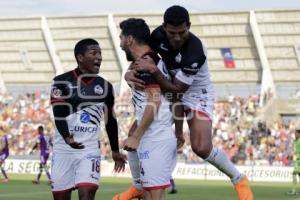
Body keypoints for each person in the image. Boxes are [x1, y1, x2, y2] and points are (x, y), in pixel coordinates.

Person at [125, 5, 253, 200]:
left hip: (195, 92)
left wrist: (155, 71)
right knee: (134, 134)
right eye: (172, 33)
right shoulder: (157, 36)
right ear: (164, 28)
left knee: (201, 147)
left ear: (189, 26)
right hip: (167, 86)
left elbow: (178, 90)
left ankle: (239, 179)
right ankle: (137, 186)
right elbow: (142, 55)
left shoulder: (196, 51)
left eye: (182, 32)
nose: (176, 38)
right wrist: (129, 72)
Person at [50, 38, 126, 200]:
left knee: (87, 195)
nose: (99, 57)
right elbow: (59, 114)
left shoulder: (105, 86)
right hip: (63, 149)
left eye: (100, 53)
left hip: (89, 149)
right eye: (94, 53)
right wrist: (67, 138)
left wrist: (115, 150)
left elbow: (110, 120)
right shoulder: (61, 82)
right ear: (80, 57)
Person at [113, 18, 178, 200]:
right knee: (148, 195)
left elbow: (154, 102)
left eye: (121, 38)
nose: (119, 43)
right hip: (154, 136)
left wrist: (136, 136)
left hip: (156, 138)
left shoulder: (146, 63)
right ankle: (135, 186)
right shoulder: (148, 60)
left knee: (155, 196)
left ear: (129, 40)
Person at [287, 119, 300, 196]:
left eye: (296, 133)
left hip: (299, 161)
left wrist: (295, 155)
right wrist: (292, 154)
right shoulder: (297, 141)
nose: (295, 134)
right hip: (298, 160)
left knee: (294, 174)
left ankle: (293, 191)